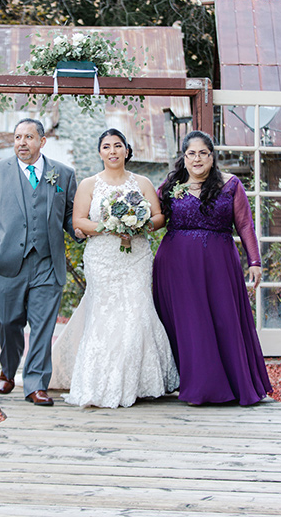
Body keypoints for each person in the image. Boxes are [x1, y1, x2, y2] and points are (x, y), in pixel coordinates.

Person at [50, 128, 179, 408]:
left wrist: (139, 224)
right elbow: (78, 222)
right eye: (107, 146)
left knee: (137, 311)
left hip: (136, 257)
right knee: (104, 315)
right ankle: (101, 382)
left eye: (118, 145)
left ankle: (138, 383)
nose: (112, 151)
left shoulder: (142, 182)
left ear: (127, 150)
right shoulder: (89, 184)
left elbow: (158, 217)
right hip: (102, 258)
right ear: (100, 152)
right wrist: (111, 226)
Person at [152, 130, 272, 406]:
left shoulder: (230, 185)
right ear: (183, 158)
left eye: (203, 153)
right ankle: (196, 386)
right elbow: (154, 219)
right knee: (190, 325)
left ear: (212, 156)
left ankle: (230, 385)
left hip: (219, 263)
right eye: (191, 153)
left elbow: (244, 225)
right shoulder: (170, 188)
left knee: (223, 320)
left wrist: (255, 261)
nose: (197, 159)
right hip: (176, 266)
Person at [0, 118, 81, 406]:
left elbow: (70, 216)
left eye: (29, 137)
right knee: (7, 323)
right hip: (4, 263)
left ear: (41, 142)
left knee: (43, 326)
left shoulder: (64, 174)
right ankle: (8, 368)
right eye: (18, 137)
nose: (22, 142)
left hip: (47, 262)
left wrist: (82, 230)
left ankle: (35, 384)